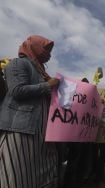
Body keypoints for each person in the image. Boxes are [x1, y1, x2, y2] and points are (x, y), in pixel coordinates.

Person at [0, 35, 59, 188]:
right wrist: (48, 86)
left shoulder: (41, 73)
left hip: (40, 134)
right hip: (21, 131)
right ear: (34, 46)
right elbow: (16, 90)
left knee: (37, 179)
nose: (48, 54)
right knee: (18, 178)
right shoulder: (18, 63)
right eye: (46, 49)